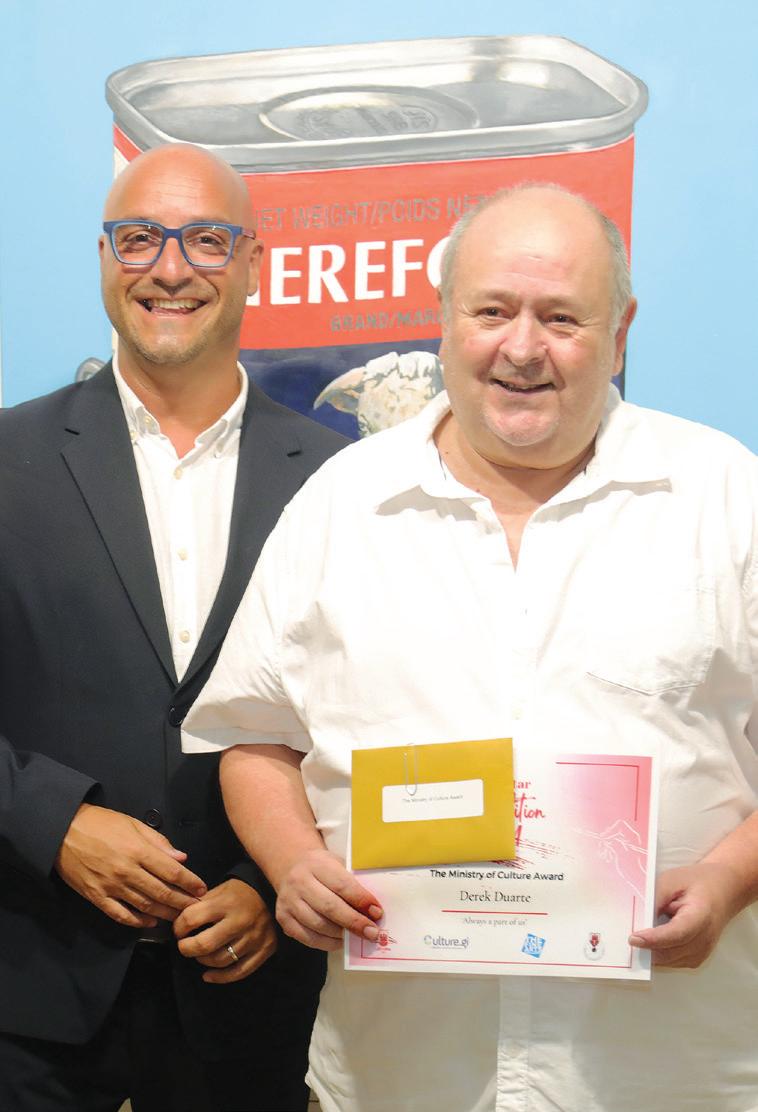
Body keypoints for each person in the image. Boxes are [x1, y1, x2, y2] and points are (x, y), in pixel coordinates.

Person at [182, 184, 758, 1112]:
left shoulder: (727, 496)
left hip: (668, 1073)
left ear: (620, 333)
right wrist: (291, 863)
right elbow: (254, 735)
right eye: (492, 311)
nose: (521, 348)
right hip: (401, 1072)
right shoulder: (341, 505)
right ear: (446, 319)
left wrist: (730, 878)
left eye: (561, 317)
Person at [0, 143, 346, 1112]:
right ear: (104, 257)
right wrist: (54, 821)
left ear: (253, 263)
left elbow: (370, 713)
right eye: (139, 237)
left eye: (205, 239)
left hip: (253, 999)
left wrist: (271, 877)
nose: (169, 266)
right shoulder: (6, 459)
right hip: (31, 992)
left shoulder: (341, 481)